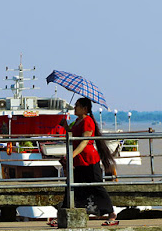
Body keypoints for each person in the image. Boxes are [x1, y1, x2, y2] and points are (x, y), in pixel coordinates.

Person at [56, 97, 119, 227]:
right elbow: (72, 136)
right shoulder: (78, 121)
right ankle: (65, 214)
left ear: (85, 108)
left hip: (89, 159)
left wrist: (71, 155)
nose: (74, 107)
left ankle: (112, 213)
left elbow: (84, 142)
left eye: (77, 105)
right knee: (72, 186)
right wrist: (65, 126)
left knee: (97, 186)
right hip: (79, 160)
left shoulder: (88, 121)